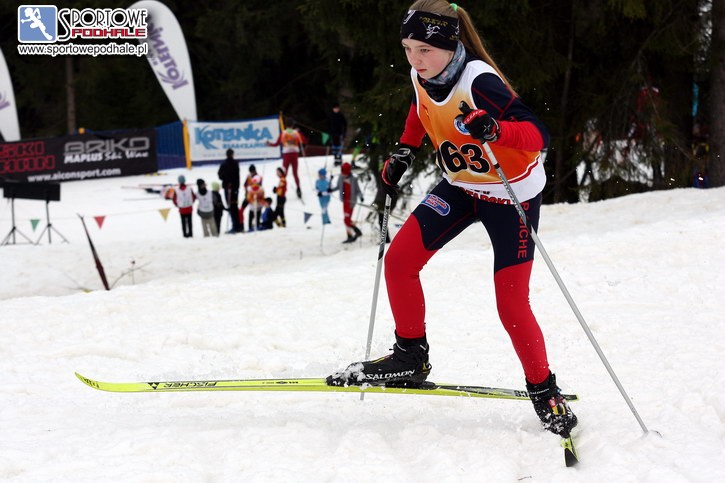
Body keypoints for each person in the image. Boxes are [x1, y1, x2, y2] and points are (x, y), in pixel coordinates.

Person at [327, 0, 577, 439]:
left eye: (424, 49)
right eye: (408, 49)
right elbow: (420, 109)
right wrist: (405, 150)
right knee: (398, 261)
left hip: (509, 196)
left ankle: (544, 390)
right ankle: (410, 357)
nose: (415, 59)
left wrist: (496, 130)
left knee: (511, 303)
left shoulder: (479, 80)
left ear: (449, 45)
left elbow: (538, 135)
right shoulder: (420, 75)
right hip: (460, 186)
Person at [267, 123, 305, 198]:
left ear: (286, 125)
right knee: (295, 173)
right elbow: (303, 141)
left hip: (286, 155)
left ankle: (281, 189)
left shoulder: (283, 133)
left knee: (284, 173)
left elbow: (277, 144)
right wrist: (299, 133)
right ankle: (298, 189)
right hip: (294, 154)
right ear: (292, 125)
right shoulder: (296, 132)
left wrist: (269, 144)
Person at [329, 162, 363, 243]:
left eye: (344, 172)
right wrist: (331, 189)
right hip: (345, 202)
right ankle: (350, 235)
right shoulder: (341, 177)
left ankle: (356, 232)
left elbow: (358, 190)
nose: (343, 174)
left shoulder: (353, 179)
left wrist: (361, 197)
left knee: (346, 219)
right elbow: (338, 187)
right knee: (346, 219)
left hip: (351, 202)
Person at [217, 149, 241, 233]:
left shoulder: (224, 164)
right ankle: (236, 225)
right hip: (234, 188)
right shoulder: (234, 163)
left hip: (229, 188)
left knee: (231, 206)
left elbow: (220, 175)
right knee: (234, 206)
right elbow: (237, 176)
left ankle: (235, 225)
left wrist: (226, 180)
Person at [243, 165, 265, 232]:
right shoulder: (249, 177)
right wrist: (248, 191)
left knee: (258, 211)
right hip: (249, 196)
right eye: (250, 172)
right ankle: (250, 227)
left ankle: (257, 225)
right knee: (251, 212)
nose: (251, 173)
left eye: (252, 172)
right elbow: (245, 185)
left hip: (257, 197)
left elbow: (260, 187)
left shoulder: (259, 177)